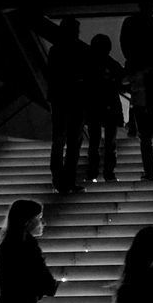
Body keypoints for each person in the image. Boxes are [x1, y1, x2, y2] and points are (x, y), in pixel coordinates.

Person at [120, 2, 153, 181]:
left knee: (146, 139)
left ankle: (150, 173)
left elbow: (126, 46)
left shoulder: (132, 25)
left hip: (141, 98)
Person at [46, 17, 88, 194]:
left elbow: (52, 76)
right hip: (74, 100)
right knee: (72, 142)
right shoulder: (79, 50)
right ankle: (68, 181)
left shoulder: (56, 50)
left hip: (61, 101)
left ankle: (59, 180)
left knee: (61, 140)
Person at [84, 33, 123, 183]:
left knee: (94, 142)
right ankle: (109, 173)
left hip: (94, 108)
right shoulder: (112, 64)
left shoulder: (89, 65)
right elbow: (122, 81)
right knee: (110, 143)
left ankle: (92, 173)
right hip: (110, 109)